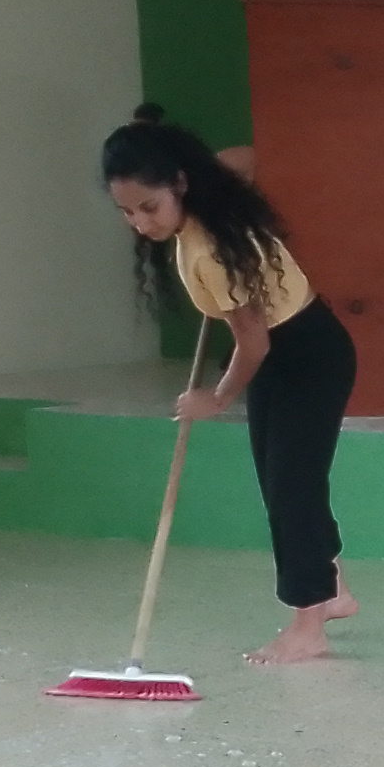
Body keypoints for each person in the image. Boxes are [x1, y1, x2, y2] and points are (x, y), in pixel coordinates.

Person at [101, 110, 358, 666]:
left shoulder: (212, 251)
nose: (140, 223)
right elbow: (243, 158)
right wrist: (190, 161)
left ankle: (308, 626)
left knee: (292, 488)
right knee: (282, 480)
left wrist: (215, 398)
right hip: (282, 353)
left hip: (306, 356)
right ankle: (332, 588)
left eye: (149, 207)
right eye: (127, 211)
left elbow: (254, 344)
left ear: (179, 184)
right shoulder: (205, 201)